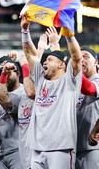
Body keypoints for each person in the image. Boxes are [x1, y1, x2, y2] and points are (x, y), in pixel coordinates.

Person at [21, 15, 82, 169]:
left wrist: (69, 35)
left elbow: (76, 56)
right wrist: (24, 30)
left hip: (60, 148)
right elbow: (29, 54)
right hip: (37, 148)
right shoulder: (41, 80)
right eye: (45, 60)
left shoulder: (70, 81)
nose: (45, 62)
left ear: (62, 65)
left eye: (49, 60)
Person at [76, 46, 99, 168]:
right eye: (79, 58)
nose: (81, 60)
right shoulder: (75, 85)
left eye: (85, 57)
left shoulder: (97, 79)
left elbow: (88, 88)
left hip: (93, 148)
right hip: (74, 148)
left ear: (96, 62)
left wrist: (75, 67)